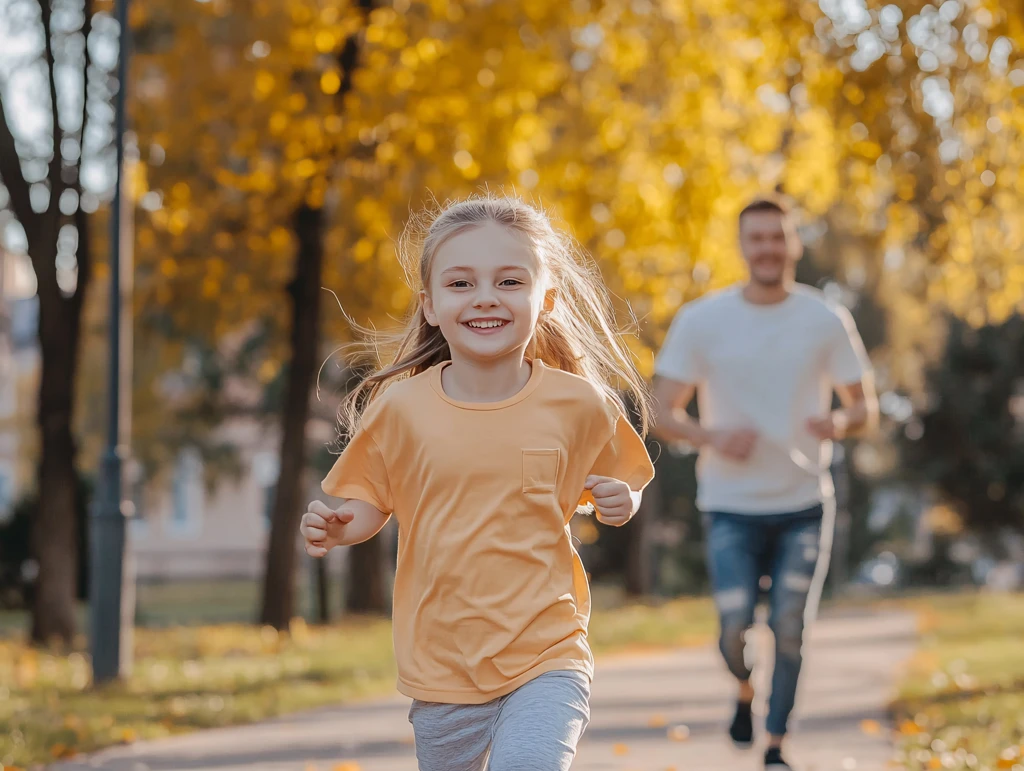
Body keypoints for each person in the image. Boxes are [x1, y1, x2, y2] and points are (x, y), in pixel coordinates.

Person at [300, 194, 656, 771]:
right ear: (431, 306)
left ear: (546, 301)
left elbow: (620, 483)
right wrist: (340, 526)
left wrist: (623, 501)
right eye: (461, 284)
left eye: (510, 281)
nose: (486, 297)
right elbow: (371, 500)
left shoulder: (579, 404)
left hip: (548, 650)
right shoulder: (401, 408)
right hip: (442, 662)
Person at [651, 198, 877, 771]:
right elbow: (660, 411)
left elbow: (865, 409)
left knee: (790, 629)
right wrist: (711, 436)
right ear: (742, 245)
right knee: (733, 628)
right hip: (730, 505)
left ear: (793, 243)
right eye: (757, 238)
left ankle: (776, 744)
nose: (768, 248)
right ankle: (745, 690)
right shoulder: (703, 320)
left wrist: (841, 421)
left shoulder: (825, 318)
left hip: (804, 501)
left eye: (778, 237)